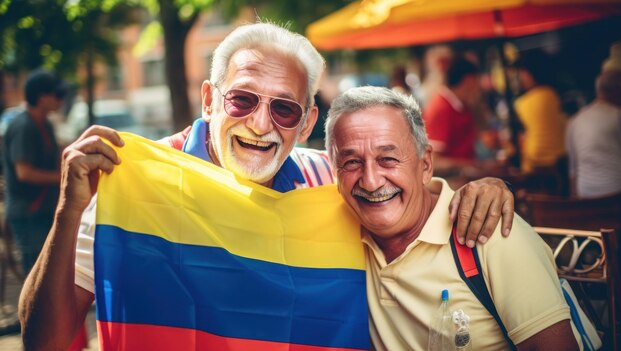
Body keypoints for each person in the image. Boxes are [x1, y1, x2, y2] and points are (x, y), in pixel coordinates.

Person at [18, 22, 514, 350]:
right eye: (242, 100)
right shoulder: (128, 182)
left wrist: (480, 190)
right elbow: (45, 342)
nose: (261, 124)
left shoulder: (328, 179)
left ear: (306, 122)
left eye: (284, 108)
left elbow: (401, 187)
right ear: (210, 100)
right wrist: (68, 211)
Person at [325, 86, 579, 350]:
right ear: (335, 172)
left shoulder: (488, 230)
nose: (371, 181)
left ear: (425, 166)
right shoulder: (338, 233)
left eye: (388, 159)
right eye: (352, 162)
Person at [2, 69, 64, 274]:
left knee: (50, 272)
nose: (61, 100)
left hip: (44, 210)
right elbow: (24, 173)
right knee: (36, 274)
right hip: (29, 213)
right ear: (42, 97)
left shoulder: (45, 124)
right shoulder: (24, 127)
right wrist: (61, 177)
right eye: (57, 95)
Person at [566, 40, 621, 198]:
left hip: (587, 204)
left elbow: (573, 174)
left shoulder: (575, 121)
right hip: (617, 204)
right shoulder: (620, 115)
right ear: (620, 88)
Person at [422, 56, 486, 178]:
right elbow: (434, 161)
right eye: (477, 82)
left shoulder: (462, 105)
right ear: (469, 81)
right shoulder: (440, 108)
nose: (479, 88)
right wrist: (477, 166)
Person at [513, 50, 568, 175]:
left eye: (522, 73)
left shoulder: (521, 103)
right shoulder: (555, 95)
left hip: (534, 164)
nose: (521, 77)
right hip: (559, 161)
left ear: (530, 73)